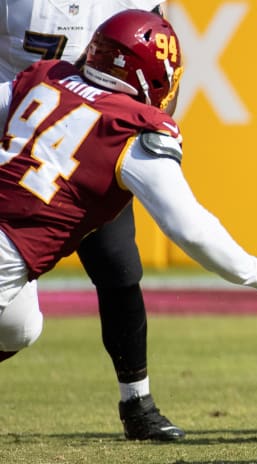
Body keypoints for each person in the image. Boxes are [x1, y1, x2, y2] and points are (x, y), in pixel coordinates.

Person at [0, 7, 257, 439]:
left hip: (16, 231)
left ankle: (137, 405)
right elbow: (191, 229)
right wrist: (254, 270)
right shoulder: (133, 129)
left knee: (19, 327)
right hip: (9, 249)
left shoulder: (41, 76)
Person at [0, 0, 190, 442]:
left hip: (89, 144)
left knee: (120, 268)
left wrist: (146, 127)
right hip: (15, 135)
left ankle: (137, 404)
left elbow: (163, 64)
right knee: (17, 323)